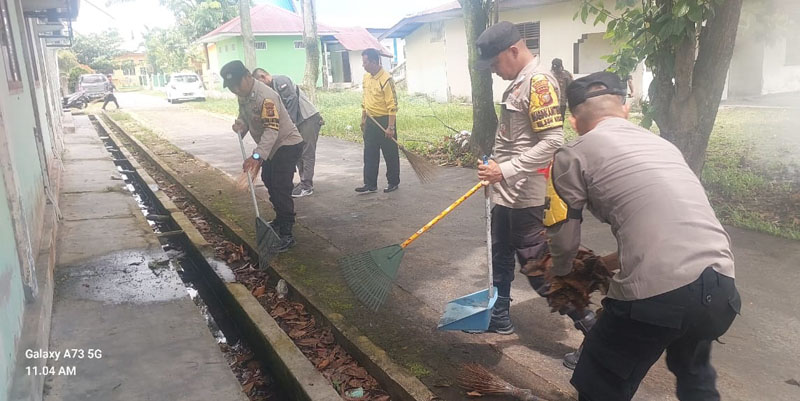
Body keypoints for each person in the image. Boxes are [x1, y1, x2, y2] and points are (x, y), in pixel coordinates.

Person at [544, 71, 740, 400]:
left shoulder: (572, 154)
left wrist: (564, 272)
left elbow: (563, 235)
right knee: (694, 374)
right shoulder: (664, 146)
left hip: (659, 296)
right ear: (625, 110)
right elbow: (667, 228)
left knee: (599, 384)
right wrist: (605, 263)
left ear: (575, 122)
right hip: (721, 287)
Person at [469, 22, 595, 362]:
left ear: (514, 51)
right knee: (499, 258)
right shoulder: (519, 83)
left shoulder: (538, 83)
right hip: (506, 192)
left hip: (527, 194)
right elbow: (515, 139)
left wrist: (504, 169)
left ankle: (594, 331)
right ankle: (499, 317)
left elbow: (554, 141)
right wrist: (494, 165)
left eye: (495, 64)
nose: (494, 72)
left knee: (538, 269)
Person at [221, 60, 304, 251]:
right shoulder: (243, 94)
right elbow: (244, 114)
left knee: (280, 186)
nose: (235, 90)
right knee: (268, 179)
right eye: (231, 87)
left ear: (247, 76)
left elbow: (271, 130)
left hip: (286, 144)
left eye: (237, 84)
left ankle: (287, 232)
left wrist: (256, 157)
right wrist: (241, 124)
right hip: (271, 147)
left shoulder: (267, 97)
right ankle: (280, 217)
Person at [253, 68, 323, 198]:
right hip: (296, 121)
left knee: (306, 152)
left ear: (263, 76)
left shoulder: (281, 81)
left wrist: (289, 128)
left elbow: (292, 104)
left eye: (259, 83)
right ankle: (303, 182)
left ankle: (307, 185)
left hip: (307, 118)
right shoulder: (269, 90)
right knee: (297, 152)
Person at [356, 48, 400, 194]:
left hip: (385, 121)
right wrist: (363, 119)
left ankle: (393, 182)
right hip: (370, 120)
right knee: (369, 153)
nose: (363, 65)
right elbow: (365, 99)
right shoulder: (366, 77)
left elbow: (392, 105)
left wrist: (391, 127)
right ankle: (370, 183)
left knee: (390, 153)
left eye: (365, 62)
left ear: (374, 62)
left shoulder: (386, 79)